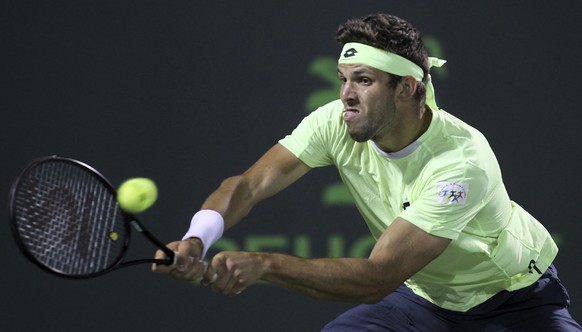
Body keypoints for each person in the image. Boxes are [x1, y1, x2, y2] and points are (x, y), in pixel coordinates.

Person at [152, 13, 582, 331]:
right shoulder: (335, 121)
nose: (345, 95)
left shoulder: (460, 164)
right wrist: (196, 238)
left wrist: (265, 264)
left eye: (363, 80)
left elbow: (376, 279)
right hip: (425, 302)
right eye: (343, 79)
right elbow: (248, 185)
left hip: (517, 304)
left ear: (406, 88)